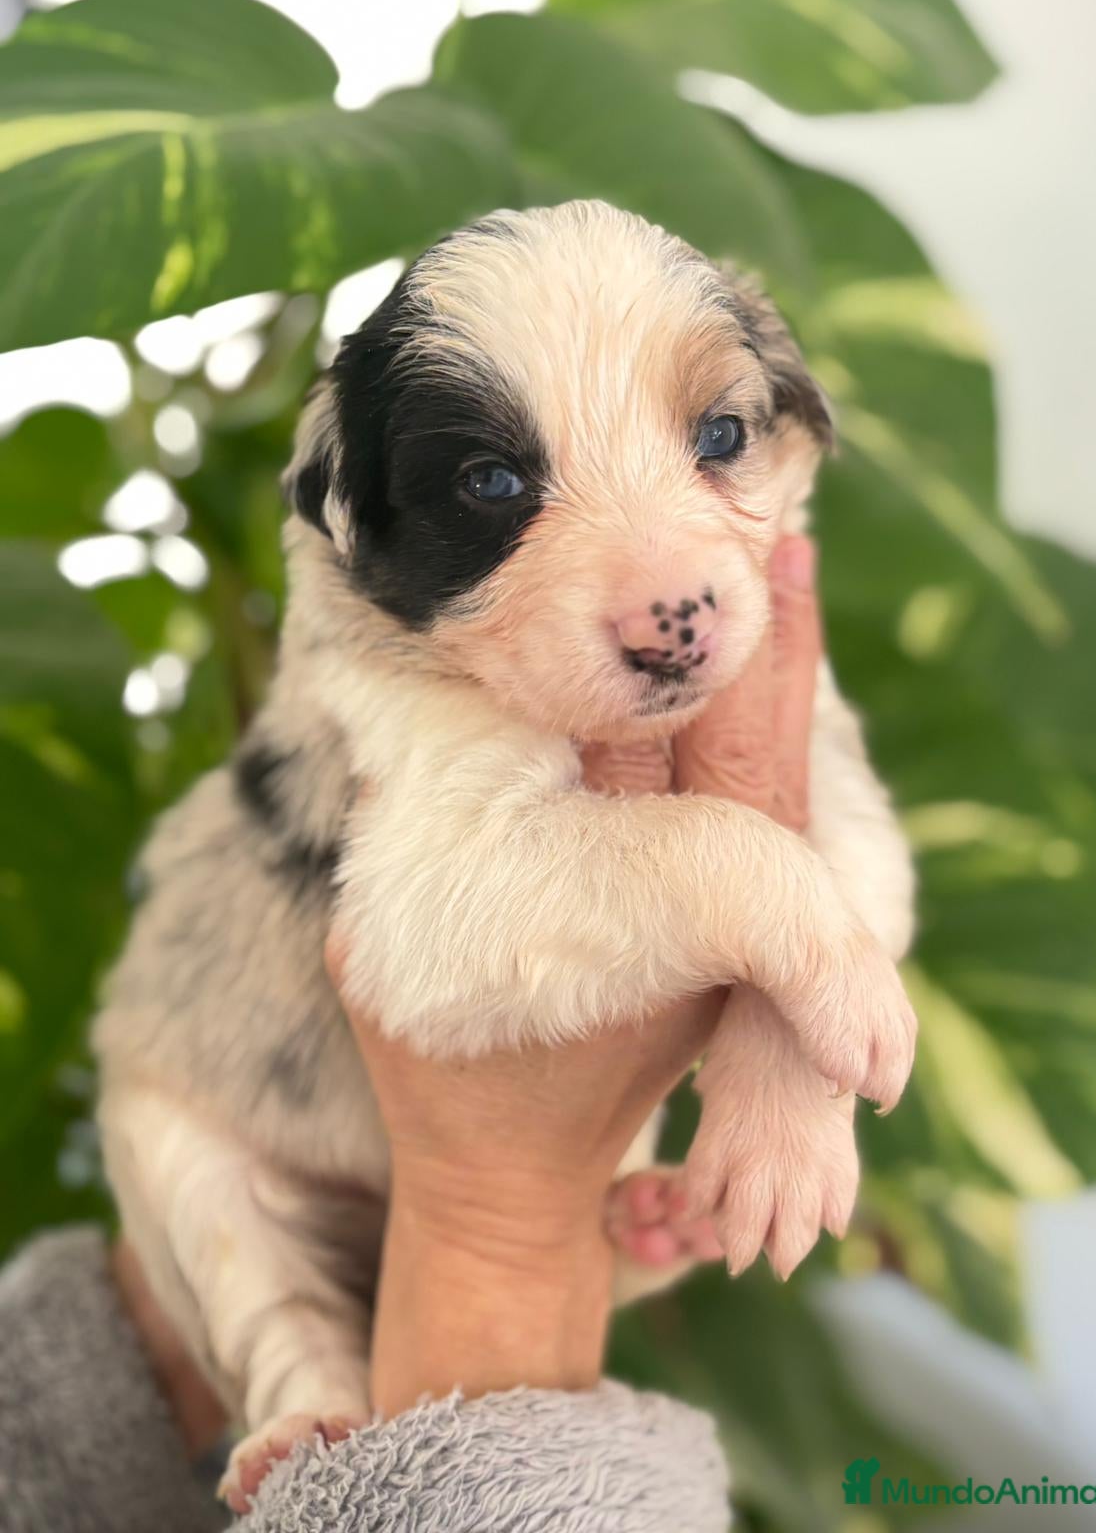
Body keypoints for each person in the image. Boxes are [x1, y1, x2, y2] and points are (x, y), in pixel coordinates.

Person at [0, 537, 820, 1533]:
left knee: (626, 1004)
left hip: (323, 1176)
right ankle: (305, 1382)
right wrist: (509, 1229)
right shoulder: (396, 660)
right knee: (180, 1155)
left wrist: (776, 1061)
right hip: (242, 1114)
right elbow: (440, 931)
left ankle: (571, 1235)